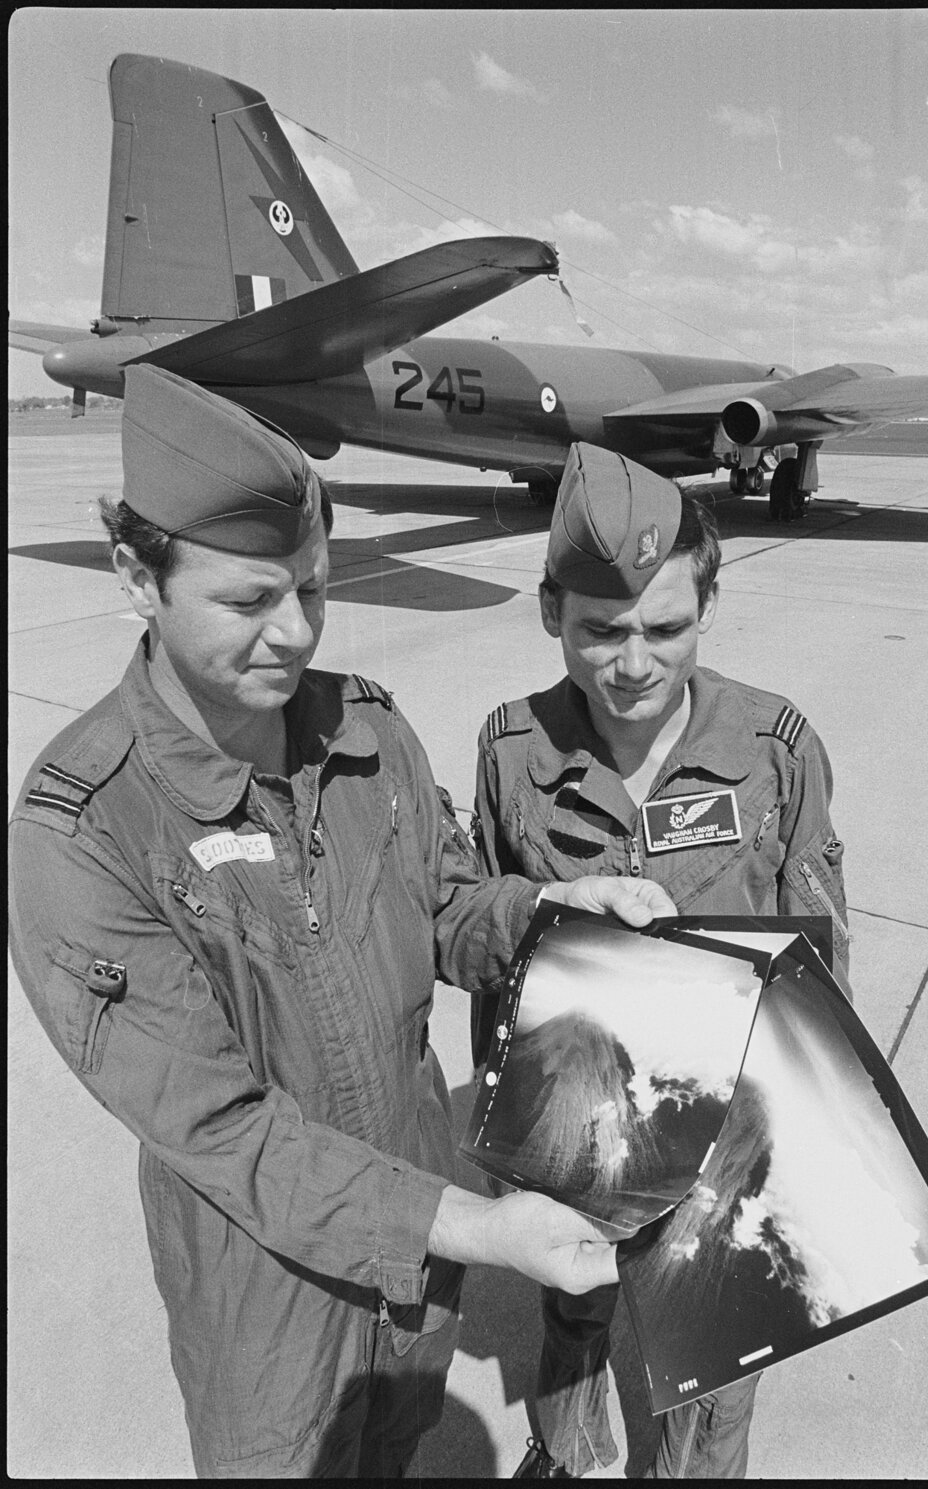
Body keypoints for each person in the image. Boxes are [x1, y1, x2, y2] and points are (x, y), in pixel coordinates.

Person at [7, 372, 675, 1480]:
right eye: (248, 601)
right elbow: (224, 1130)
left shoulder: (364, 732)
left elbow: (450, 907)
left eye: (313, 590)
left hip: (416, 1267)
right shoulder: (86, 830)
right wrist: (472, 1225)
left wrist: (549, 914)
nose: (293, 634)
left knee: (399, 1446)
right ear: (138, 575)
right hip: (266, 1290)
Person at [472, 442, 851, 1479]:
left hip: (730, 1125)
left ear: (708, 605)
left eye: (665, 628)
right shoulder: (512, 752)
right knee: (574, 1311)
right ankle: (566, 1447)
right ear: (550, 612)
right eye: (599, 631)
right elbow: (495, 953)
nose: (632, 663)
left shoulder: (772, 746)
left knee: (719, 1364)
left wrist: (811, 1136)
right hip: (584, 1125)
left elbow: (819, 948)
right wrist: (514, 1149)